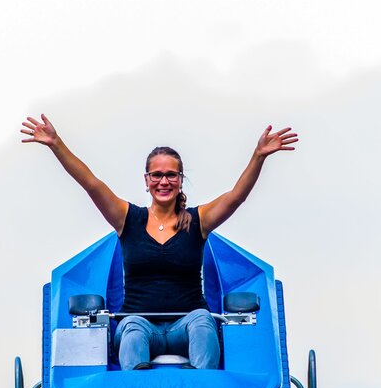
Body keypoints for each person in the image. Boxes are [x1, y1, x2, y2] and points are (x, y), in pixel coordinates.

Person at [20, 115, 298, 370]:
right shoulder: (127, 219)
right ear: (147, 180)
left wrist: (258, 156)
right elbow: (91, 183)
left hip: (186, 325)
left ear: (180, 180)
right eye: (157, 175)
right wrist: (56, 144)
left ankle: (202, 387)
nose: (164, 181)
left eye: (171, 175)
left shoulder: (198, 220)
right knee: (131, 329)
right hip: (140, 325)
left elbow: (236, 196)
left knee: (203, 322)